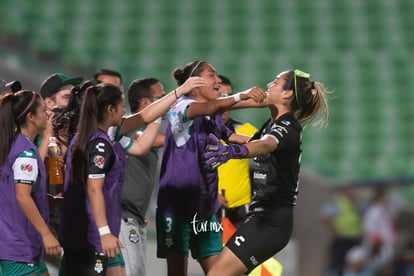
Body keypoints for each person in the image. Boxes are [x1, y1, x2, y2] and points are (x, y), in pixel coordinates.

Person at [59, 77, 206, 275]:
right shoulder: (100, 143)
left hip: (97, 231)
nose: (124, 111)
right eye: (121, 106)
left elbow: (143, 128)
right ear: (110, 109)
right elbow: (94, 189)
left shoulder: (97, 136)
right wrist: (103, 232)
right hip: (93, 234)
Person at [202, 69, 330, 275]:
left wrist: (231, 152)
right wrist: (223, 135)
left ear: (287, 94)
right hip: (261, 219)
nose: (269, 85)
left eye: (276, 82)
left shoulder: (287, 126)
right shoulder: (273, 124)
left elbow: (264, 146)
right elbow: (253, 142)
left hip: (271, 222)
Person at [156, 60, 266, 276]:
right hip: (177, 209)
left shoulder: (212, 115)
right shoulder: (180, 107)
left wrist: (265, 142)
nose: (217, 80)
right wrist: (241, 96)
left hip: (205, 210)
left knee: (220, 272)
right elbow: (212, 106)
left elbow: (231, 136)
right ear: (195, 83)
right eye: (212, 75)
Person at [0, 90, 61, 276]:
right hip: (19, 249)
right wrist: (46, 233)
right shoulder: (25, 152)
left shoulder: (13, 144)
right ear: (31, 116)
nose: (47, 114)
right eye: (43, 110)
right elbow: (22, 196)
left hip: (19, 246)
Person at [119, 77, 166, 276]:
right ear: (147, 103)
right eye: (162, 97)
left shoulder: (145, 129)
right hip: (122, 217)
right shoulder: (130, 129)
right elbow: (160, 140)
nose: (167, 102)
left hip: (136, 217)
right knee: (133, 272)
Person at [216, 75, 257, 228]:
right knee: (214, 252)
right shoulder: (196, 133)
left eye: (229, 97)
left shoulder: (246, 130)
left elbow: (271, 160)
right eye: (220, 97)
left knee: (252, 252)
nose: (225, 103)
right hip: (209, 208)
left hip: (243, 209)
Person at [321, 185, 364, 276]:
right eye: (352, 191)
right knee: (339, 264)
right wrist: (334, 232)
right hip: (342, 239)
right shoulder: (337, 203)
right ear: (345, 191)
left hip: (355, 238)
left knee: (356, 264)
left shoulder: (355, 204)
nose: (354, 193)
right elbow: (325, 217)